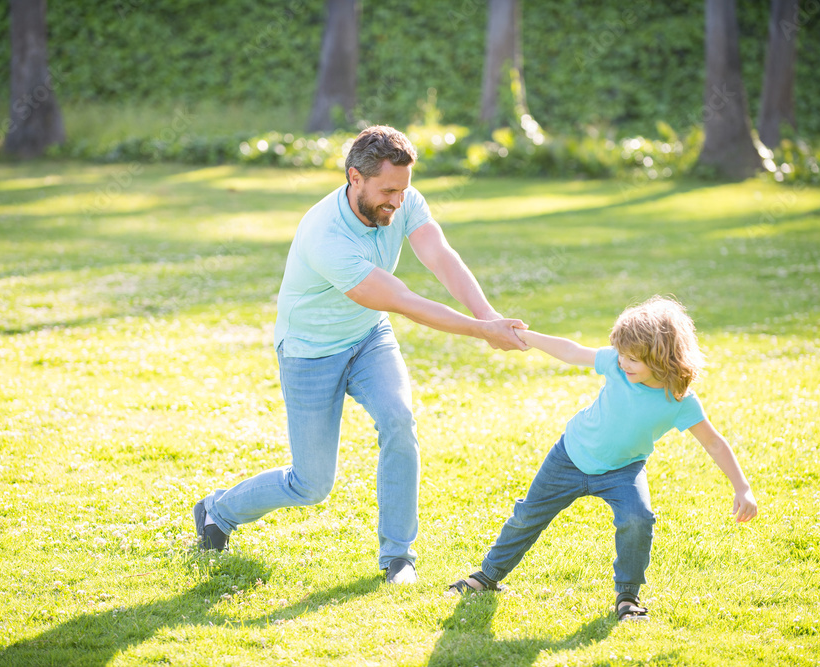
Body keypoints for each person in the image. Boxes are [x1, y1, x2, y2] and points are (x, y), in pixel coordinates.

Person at [193, 125, 528, 584]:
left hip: (368, 338)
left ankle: (398, 557)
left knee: (398, 419)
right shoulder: (326, 235)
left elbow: (441, 257)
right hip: (310, 352)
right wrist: (481, 332)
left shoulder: (403, 198)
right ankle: (217, 509)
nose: (398, 200)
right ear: (355, 177)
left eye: (404, 189)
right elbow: (404, 300)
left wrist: (489, 316)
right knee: (310, 485)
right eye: (388, 191)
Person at [447, 296, 757, 621]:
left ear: (663, 357)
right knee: (527, 516)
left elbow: (714, 443)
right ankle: (486, 577)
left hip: (623, 470)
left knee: (638, 520)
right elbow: (570, 351)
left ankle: (628, 597)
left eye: (634, 359)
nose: (624, 363)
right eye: (622, 354)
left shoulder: (678, 400)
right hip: (570, 455)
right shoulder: (615, 365)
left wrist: (742, 487)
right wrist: (526, 336)